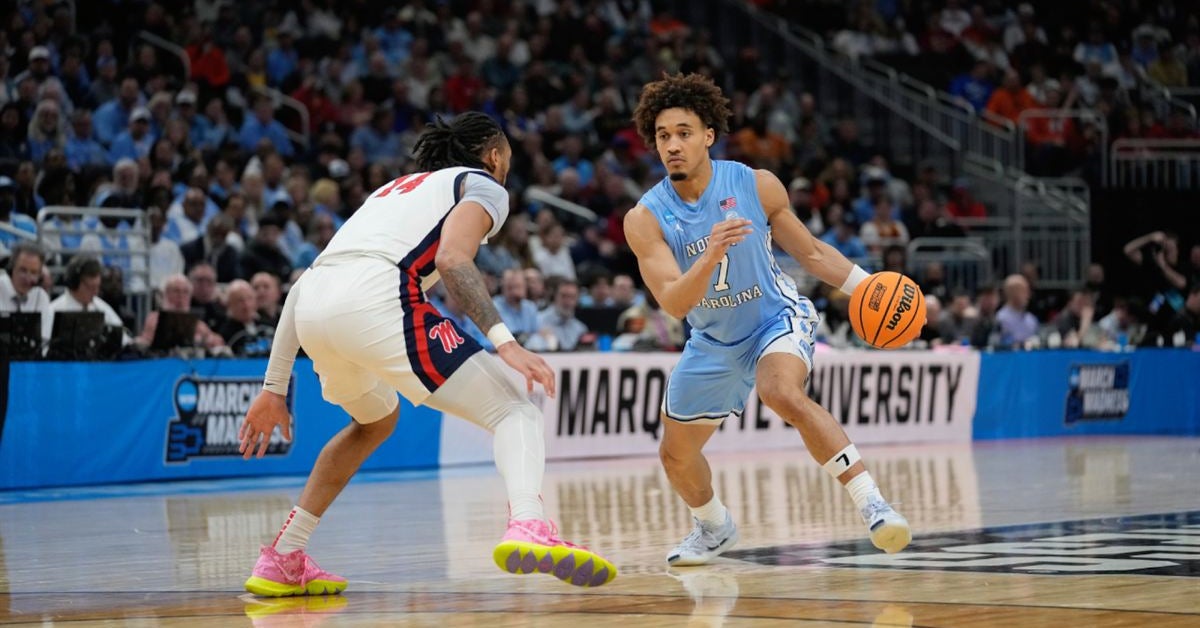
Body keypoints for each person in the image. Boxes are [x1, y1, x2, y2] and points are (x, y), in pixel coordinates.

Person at [237, 112, 616, 598]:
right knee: (514, 410)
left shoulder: (391, 191)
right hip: (377, 299)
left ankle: (284, 555)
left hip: (312, 306)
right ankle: (528, 523)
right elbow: (453, 259)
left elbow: (307, 282)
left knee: (374, 422)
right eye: (508, 160)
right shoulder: (482, 184)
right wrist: (507, 342)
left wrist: (274, 389)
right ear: (495, 156)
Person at [623, 73, 910, 566]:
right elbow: (672, 302)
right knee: (675, 455)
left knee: (782, 392)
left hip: (774, 319)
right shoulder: (644, 218)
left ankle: (873, 504)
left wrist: (869, 286)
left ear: (708, 135)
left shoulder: (755, 184)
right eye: (663, 135)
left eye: (684, 132)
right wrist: (710, 255)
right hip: (712, 341)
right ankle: (714, 527)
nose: (672, 144)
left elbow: (814, 253)